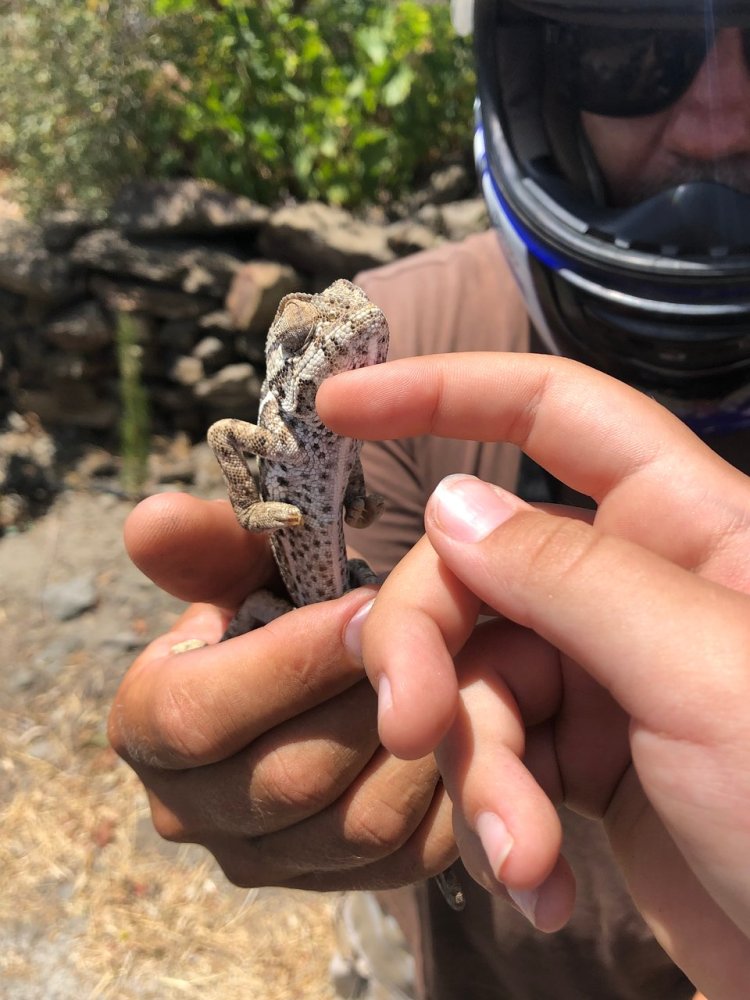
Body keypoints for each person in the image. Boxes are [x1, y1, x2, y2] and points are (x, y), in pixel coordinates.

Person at [109, 1, 750, 997]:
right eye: (631, 53)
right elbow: (373, 665)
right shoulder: (418, 338)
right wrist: (250, 738)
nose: (719, 119)